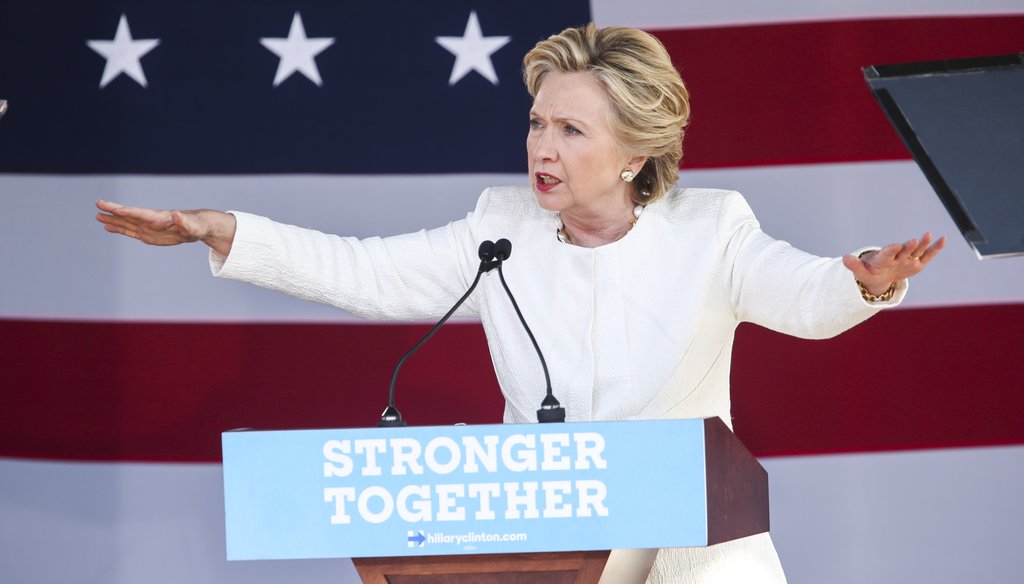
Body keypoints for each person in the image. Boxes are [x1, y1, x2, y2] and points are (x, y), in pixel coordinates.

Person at [96, 23, 943, 584]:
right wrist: (225, 231)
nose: (541, 145)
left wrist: (865, 278)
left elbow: (798, 289)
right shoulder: (501, 226)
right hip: (551, 539)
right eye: (538, 122)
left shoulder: (710, 227)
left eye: (571, 131)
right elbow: (366, 272)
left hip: (696, 537)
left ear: (633, 153)